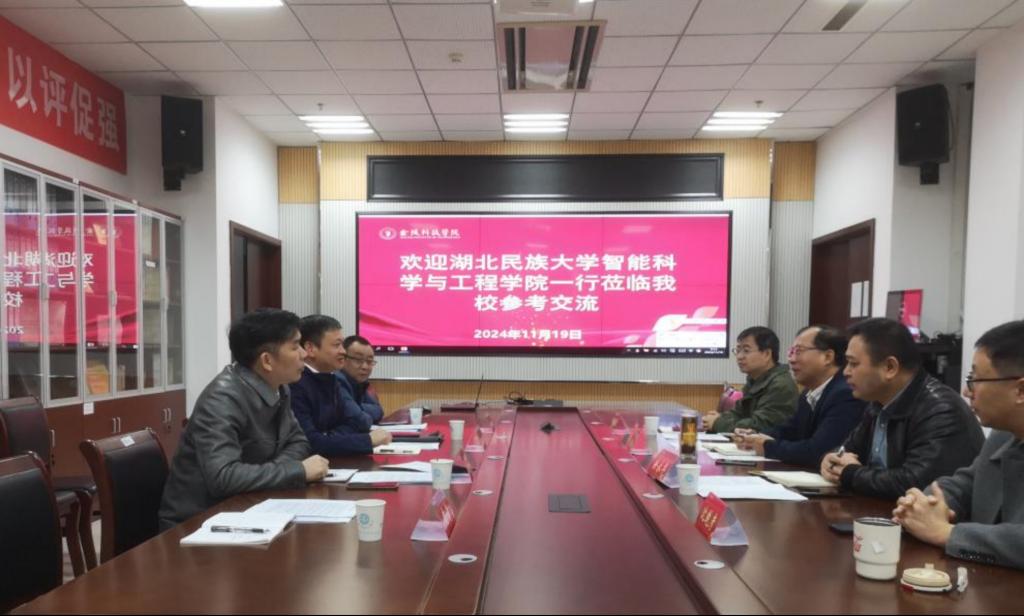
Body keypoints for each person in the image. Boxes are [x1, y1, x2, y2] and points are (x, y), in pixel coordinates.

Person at [159, 309, 328, 529]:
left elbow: (299, 441)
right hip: (197, 522)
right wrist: (297, 470)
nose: (304, 354)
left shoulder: (279, 387)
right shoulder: (222, 399)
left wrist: (276, 471)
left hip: (248, 507)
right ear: (267, 361)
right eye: (295, 346)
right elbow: (223, 476)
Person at [893, 320, 1024, 570]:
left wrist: (946, 533)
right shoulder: (1003, 435)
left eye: (976, 379)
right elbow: (964, 484)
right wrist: (924, 504)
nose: (966, 391)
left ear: (1020, 390)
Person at [820, 318, 984, 499]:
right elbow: (847, 451)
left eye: (853, 363)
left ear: (890, 367)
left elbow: (915, 484)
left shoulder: (941, 410)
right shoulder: (878, 403)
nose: (845, 372)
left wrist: (851, 473)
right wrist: (831, 460)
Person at [734, 325, 865, 467]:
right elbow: (791, 430)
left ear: (827, 357)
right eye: (791, 352)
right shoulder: (809, 392)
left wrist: (767, 446)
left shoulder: (845, 394)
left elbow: (819, 451)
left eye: (798, 351)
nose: (791, 359)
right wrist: (755, 436)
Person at [291, 316, 391, 456]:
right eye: (337, 345)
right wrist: (368, 440)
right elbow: (310, 442)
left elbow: (355, 423)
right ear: (310, 348)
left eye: (342, 345)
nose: (343, 351)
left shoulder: (330, 378)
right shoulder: (296, 383)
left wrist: (329, 437)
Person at [706, 326, 799, 434]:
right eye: (738, 350)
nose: (739, 356)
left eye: (746, 351)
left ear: (767, 354)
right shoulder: (755, 380)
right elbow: (738, 413)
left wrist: (718, 423)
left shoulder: (780, 385)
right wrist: (719, 418)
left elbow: (759, 426)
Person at [337, 335, 385, 425]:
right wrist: (356, 410)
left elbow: (379, 411)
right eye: (358, 360)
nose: (365, 367)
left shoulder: (360, 383)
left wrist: (356, 407)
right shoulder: (337, 381)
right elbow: (360, 420)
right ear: (343, 359)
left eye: (369, 361)